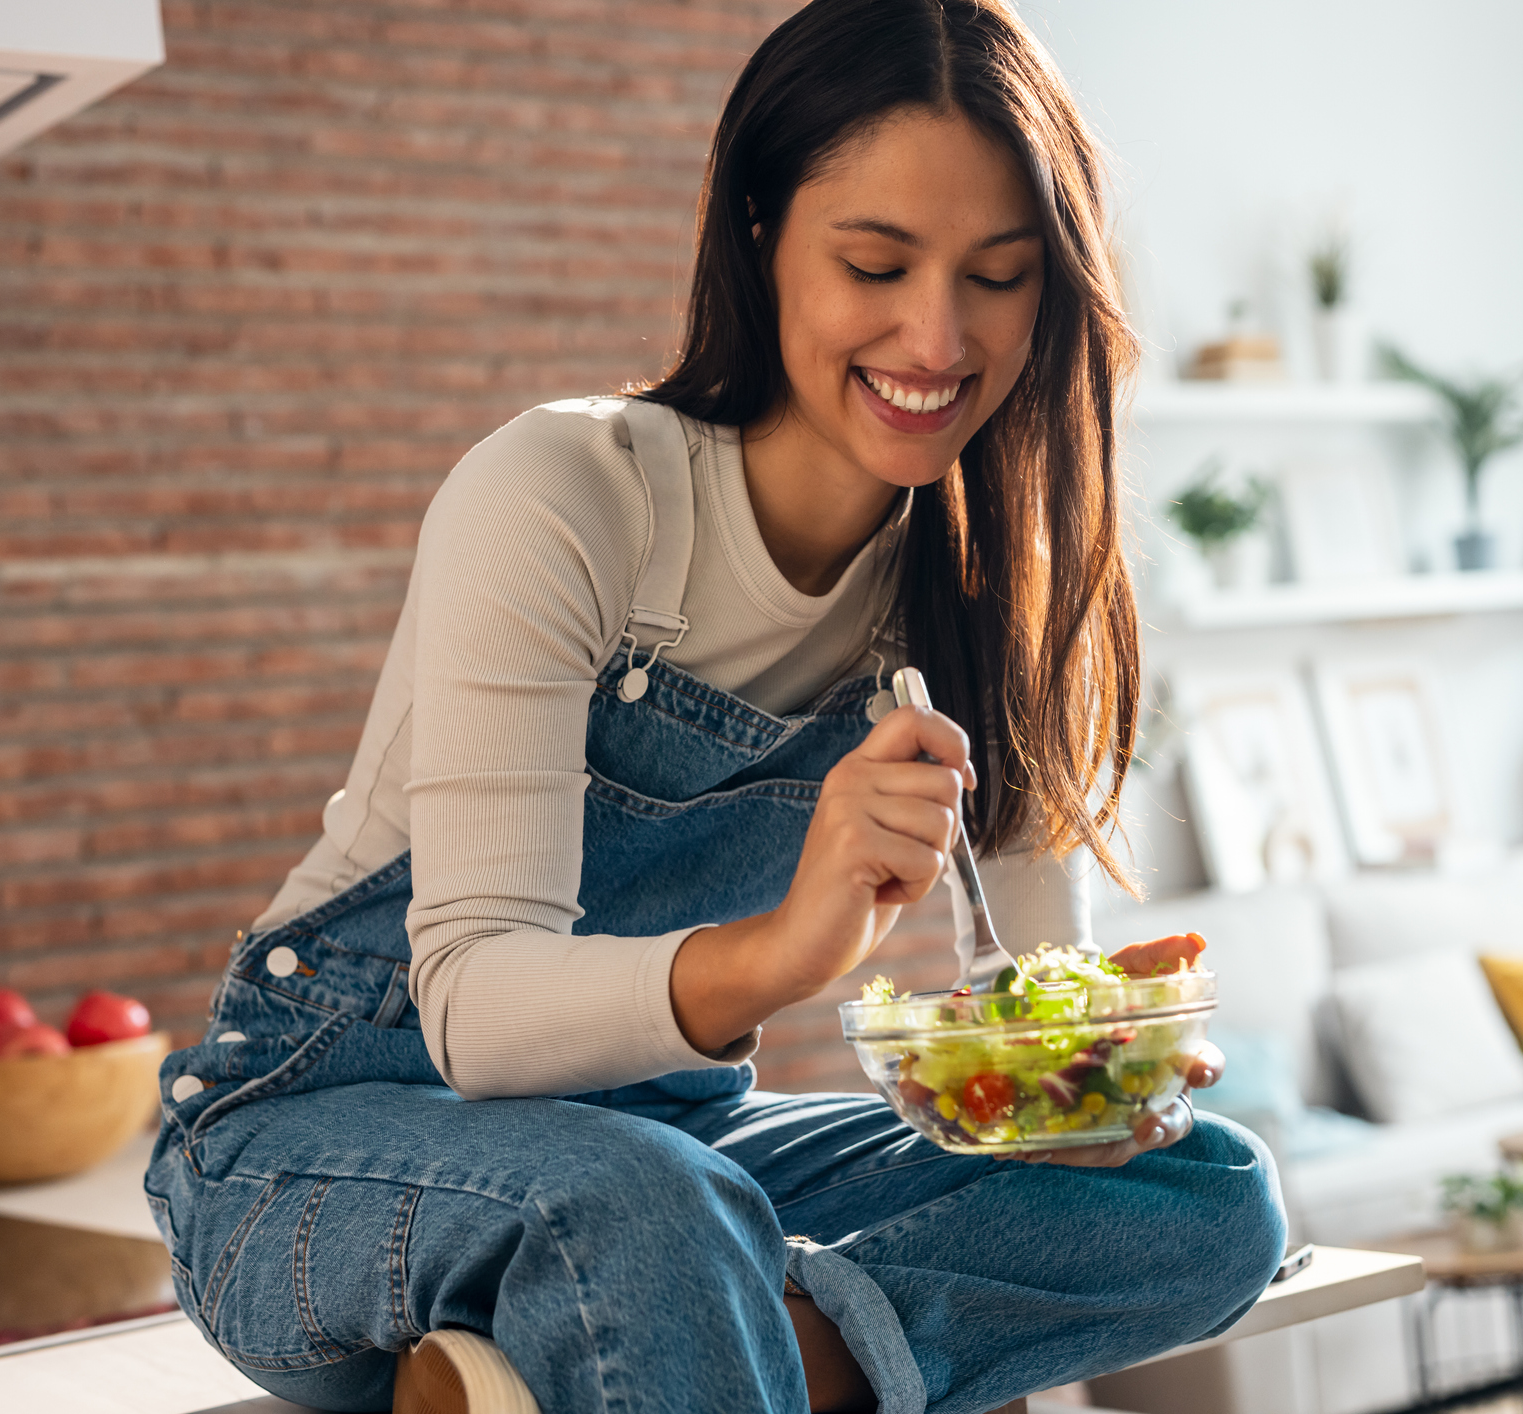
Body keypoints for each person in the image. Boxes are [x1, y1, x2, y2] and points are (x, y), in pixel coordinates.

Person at [145, 2, 1286, 1411]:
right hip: (316, 1145)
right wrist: (790, 946)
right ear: (759, 235)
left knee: (1210, 1190)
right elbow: (478, 1015)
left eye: (998, 275)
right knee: (650, 1208)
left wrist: (1096, 1083)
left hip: (669, 1156)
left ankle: (586, 1362)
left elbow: (1031, 1010)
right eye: (876, 263)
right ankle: (653, 1326)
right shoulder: (565, 497)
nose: (938, 335)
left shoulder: (980, 584)